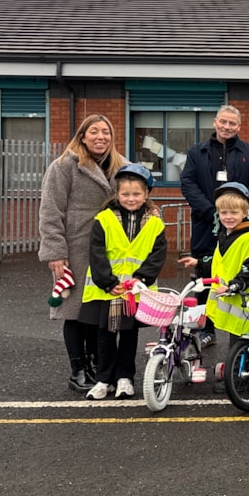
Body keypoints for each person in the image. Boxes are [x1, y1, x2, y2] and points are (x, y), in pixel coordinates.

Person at [38, 114, 130, 393]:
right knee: (75, 311)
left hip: (109, 248)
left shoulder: (122, 166)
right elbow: (50, 210)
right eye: (94, 131)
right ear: (82, 136)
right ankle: (78, 370)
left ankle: (99, 367)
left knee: (99, 310)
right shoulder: (64, 166)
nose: (101, 137)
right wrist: (55, 252)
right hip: (76, 246)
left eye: (106, 132)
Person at [78, 164, 167, 400]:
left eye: (136, 194)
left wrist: (141, 278)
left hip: (134, 291)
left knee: (129, 335)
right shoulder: (104, 218)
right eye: (125, 194)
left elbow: (157, 254)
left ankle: (125, 378)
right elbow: (96, 252)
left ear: (146, 194)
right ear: (117, 194)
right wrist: (107, 282)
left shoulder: (155, 223)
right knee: (104, 336)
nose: (131, 198)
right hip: (106, 290)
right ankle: (103, 379)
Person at [180, 104, 249, 347]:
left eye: (232, 123)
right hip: (205, 223)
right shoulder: (197, 151)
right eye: (223, 122)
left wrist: (239, 210)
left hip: (240, 225)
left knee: (240, 273)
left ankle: (239, 330)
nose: (227, 127)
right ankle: (206, 329)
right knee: (205, 276)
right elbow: (188, 183)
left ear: (239, 126)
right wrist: (211, 211)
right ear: (215, 122)